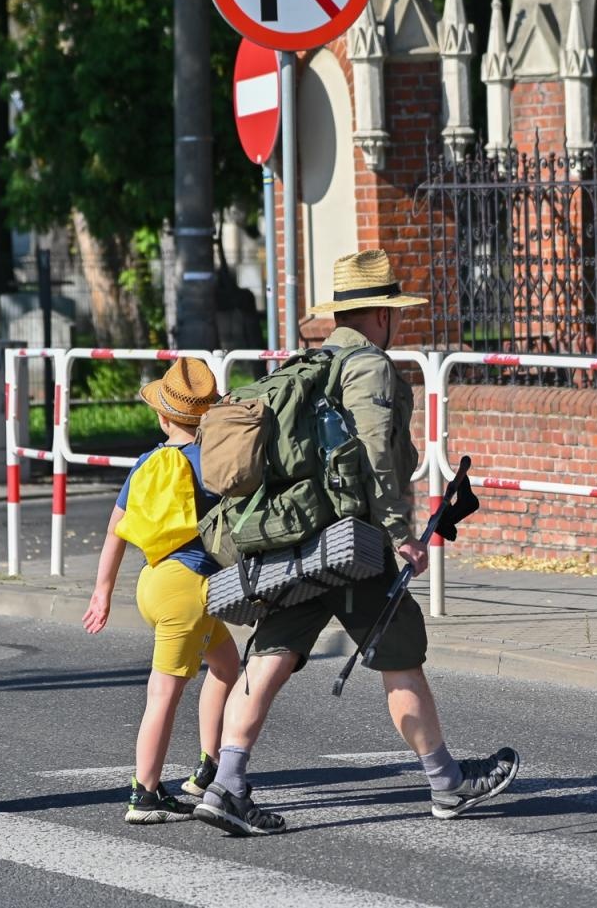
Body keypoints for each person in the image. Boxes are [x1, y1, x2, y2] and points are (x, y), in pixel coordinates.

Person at [194, 249, 521, 836]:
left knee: (267, 655)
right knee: (401, 658)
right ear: (383, 314)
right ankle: (447, 782)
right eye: (396, 313)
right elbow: (377, 459)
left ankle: (227, 785)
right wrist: (401, 536)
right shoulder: (368, 367)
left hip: (294, 540)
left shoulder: (309, 362)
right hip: (353, 547)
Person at [84, 356, 242, 824]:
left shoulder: (147, 462)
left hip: (154, 580)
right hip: (190, 591)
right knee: (163, 696)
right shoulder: (212, 460)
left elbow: (115, 530)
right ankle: (144, 794)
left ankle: (208, 766)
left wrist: (101, 592)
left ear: (162, 416)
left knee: (226, 666)